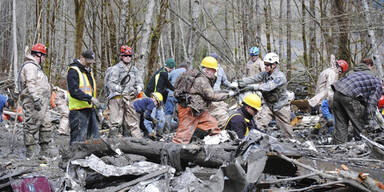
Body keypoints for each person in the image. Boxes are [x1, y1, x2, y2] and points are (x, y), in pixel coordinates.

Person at [172, 56, 237, 144]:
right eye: (213, 70)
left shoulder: (201, 77)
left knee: (212, 124)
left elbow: (211, 93)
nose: (215, 72)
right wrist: (229, 94)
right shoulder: (202, 80)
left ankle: (217, 143)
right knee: (181, 138)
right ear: (207, 69)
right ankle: (172, 153)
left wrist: (227, 91)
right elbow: (211, 96)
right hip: (188, 110)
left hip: (198, 109)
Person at [238, 52, 294, 138]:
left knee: (287, 130)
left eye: (267, 65)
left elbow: (268, 87)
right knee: (259, 123)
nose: (265, 66)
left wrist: (251, 87)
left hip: (280, 106)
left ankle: (292, 144)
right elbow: (255, 78)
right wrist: (242, 82)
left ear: (274, 65)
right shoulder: (265, 74)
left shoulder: (280, 77)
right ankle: (252, 139)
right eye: (265, 64)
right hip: (268, 105)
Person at [331, 58, 382, 144]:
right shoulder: (376, 81)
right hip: (349, 96)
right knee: (359, 124)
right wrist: (369, 119)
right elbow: (372, 104)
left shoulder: (352, 72)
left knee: (341, 125)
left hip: (336, 93)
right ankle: (362, 146)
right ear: (370, 66)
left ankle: (339, 148)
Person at [17, 43, 52, 158]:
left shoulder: (36, 67)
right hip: (33, 102)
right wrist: (36, 99)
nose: (44, 58)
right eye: (43, 56)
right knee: (31, 125)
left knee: (46, 124)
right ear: (38, 55)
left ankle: (44, 151)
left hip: (43, 103)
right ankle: (30, 152)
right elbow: (30, 83)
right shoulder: (30, 66)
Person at [104, 45, 144, 137]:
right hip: (117, 98)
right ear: (121, 56)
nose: (128, 58)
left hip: (130, 98)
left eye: (129, 56)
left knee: (133, 122)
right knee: (115, 123)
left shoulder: (134, 70)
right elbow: (110, 84)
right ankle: (114, 143)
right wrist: (118, 88)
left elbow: (140, 83)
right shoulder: (115, 69)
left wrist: (138, 88)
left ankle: (138, 142)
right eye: (125, 55)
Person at [67, 50, 102, 145]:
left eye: (91, 63)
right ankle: (73, 157)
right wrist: (90, 98)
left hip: (89, 108)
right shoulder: (74, 71)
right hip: (78, 110)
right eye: (88, 62)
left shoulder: (87, 71)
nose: (89, 65)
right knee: (78, 140)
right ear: (81, 58)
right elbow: (74, 91)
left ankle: (90, 158)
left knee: (93, 138)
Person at [164, 63, 188, 131]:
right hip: (182, 95)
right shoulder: (188, 73)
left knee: (168, 112)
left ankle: (166, 130)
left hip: (172, 93)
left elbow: (166, 80)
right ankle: (181, 129)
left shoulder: (173, 72)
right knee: (182, 111)